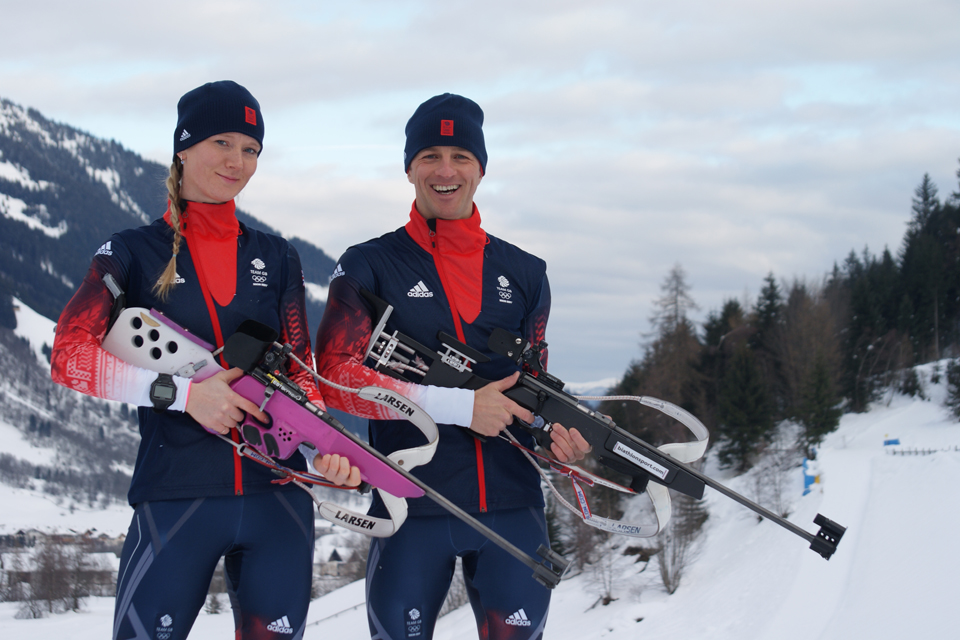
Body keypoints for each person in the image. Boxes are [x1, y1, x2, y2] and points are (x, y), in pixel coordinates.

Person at [51, 80, 360, 640]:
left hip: (281, 504)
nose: (237, 161)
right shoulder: (132, 251)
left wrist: (325, 449)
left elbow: (302, 376)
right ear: (183, 148)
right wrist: (185, 394)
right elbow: (69, 356)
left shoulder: (277, 256)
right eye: (222, 142)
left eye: (251, 149)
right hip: (177, 498)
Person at [315, 93, 590, 640]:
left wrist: (560, 444)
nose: (446, 171)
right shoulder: (368, 265)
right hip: (410, 503)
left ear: (480, 167)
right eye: (431, 156)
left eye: (461, 156)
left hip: (512, 506)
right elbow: (334, 378)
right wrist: (462, 406)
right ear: (410, 168)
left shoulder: (527, 273)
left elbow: (530, 399)